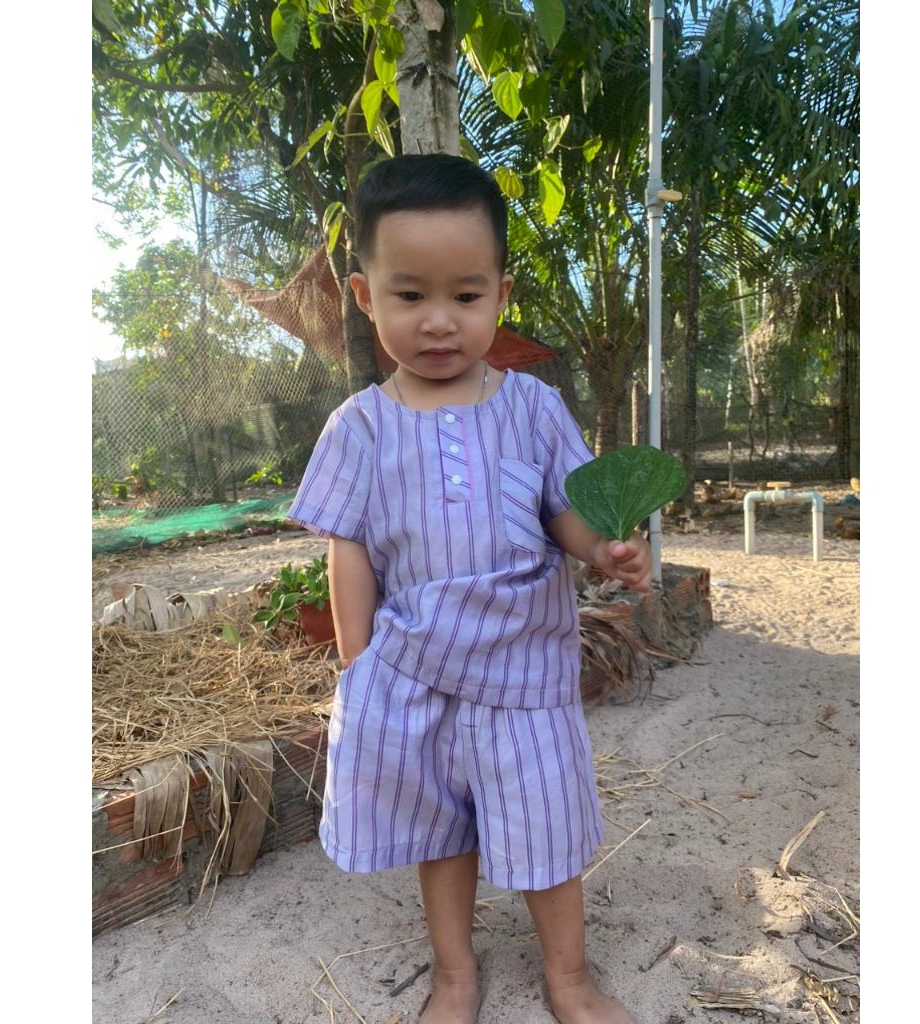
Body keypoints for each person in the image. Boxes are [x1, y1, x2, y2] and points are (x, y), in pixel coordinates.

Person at [289, 153, 650, 1024]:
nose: (440, 320)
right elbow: (350, 551)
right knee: (439, 829)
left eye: (466, 294)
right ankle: (455, 973)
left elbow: (564, 511)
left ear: (501, 294)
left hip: (525, 675)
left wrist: (602, 549)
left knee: (547, 825)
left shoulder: (532, 407)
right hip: (416, 675)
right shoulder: (359, 428)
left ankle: (569, 977)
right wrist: (358, 667)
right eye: (411, 294)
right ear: (365, 296)